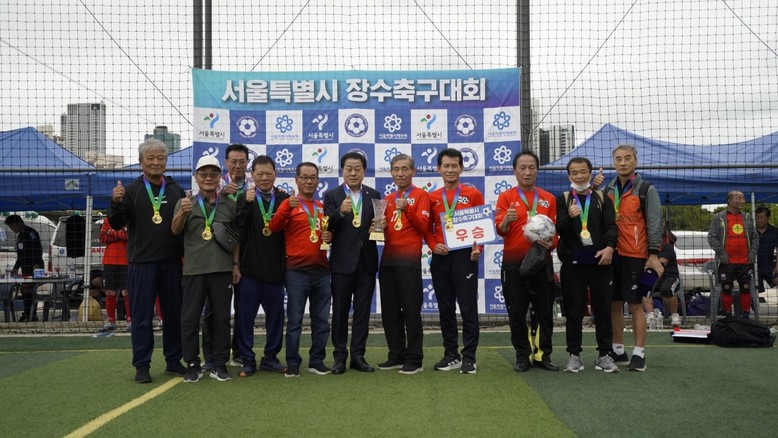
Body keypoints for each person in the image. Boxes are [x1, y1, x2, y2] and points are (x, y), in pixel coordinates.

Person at [108, 138, 187, 384]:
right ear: (141, 162)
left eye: (160, 158)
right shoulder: (131, 191)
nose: (155, 162)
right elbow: (117, 224)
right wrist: (115, 203)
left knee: (173, 315)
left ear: (166, 162)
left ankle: (174, 360)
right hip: (141, 264)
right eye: (150, 158)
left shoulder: (176, 190)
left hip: (171, 262)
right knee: (141, 317)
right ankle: (142, 365)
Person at [172, 155, 239, 382]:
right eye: (203, 174)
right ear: (196, 177)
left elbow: (235, 239)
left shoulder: (229, 203)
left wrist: (236, 265)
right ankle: (192, 363)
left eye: (213, 174)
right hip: (194, 269)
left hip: (221, 268)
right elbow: (174, 230)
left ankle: (219, 363)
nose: (208, 178)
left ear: (220, 177)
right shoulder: (185, 202)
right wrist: (182, 212)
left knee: (221, 319)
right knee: (189, 319)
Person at [494, 151, 559, 373]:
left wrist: (550, 243)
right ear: (515, 171)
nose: (527, 172)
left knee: (544, 311)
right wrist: (506, 220)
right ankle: (522, 355)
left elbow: (555, 236)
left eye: (531, 167)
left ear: (537, 170)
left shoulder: (549, 198)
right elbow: (500, 230)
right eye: (522, 168)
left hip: (541, 263)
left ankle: (543, 355)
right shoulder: (506, 197)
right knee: (517, 312)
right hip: (514, 263)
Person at [268, 162, 333, 378]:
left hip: (322, 271)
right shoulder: (289, 204)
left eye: (312, 177)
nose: (308, 181)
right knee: (295, 321)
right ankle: (293, 362)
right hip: (296, 272)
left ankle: (317, 361)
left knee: (321, 321)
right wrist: (286, 206)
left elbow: (325, 236)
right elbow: (273, 227)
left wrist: (329, 236)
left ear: (318, 181)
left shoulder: (322, 207)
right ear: (296, 180)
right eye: (304, 177)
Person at [602, 144, 663, 372]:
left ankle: (639, 354)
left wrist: (653, 254)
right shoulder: (607, 190)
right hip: (612, 254)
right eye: (618, 159)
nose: (623, 162)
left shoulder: (646, 189)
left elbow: (655, 223)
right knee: (614, 303)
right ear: (613, 163)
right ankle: (618, 350)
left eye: (627, 158)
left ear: (635, 161)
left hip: (636, 255)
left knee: (636, 304)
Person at [555, 157, 619, 373]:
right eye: (574, 172)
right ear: (568, 176)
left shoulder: (601, 197)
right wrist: (569, 217)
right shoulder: (564, 199)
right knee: (574, 309)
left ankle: (604, 355)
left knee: (603, 308)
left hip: (600, 260)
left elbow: (610, 226)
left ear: (590, 174)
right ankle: (574, 355)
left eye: (583, 171)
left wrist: (610, 247)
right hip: (573, 262)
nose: (579, 176)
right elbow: (560, 230)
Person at [424, 148, 483, 374]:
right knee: (445, 308)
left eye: (454, 165)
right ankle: (451, 354)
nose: (450, 170)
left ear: (461, 168)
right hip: (441, 257)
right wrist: (433, 245)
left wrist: (478, 249)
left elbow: (482, 225)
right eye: (446, 166)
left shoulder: (473, 194)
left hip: (465, 257)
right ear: (438, 169)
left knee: (468, 308)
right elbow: (427, 229)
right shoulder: (432, 197)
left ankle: (469, 357)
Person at [323, 152, 381, 374]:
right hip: (341, 263)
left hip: (367, 262)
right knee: (339, 311)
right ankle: (339, 357)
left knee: (362, 312)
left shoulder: (373, 194)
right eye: (349, 168)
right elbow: (326, 225)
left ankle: (358, 356)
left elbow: (377, 226)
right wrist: (340, 212)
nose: (353, 173)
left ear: (364, 171)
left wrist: (381, 225)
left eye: (358, 168)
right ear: (342, 171)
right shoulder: (332, 195)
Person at [233, 155, 290, 377]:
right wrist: (247, 204)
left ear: (275, 174)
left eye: (268, 174)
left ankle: (270, 357)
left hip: (275, 270)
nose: (264, 178)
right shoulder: (244, 198)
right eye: (260, 174)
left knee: (275, 318)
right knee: (245, 317)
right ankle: (247, 358)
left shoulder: (284, 198)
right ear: (252, 175)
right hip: (249, 271)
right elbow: (238, 226)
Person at [377, 154, 430, 375]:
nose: (400, 173)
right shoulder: (387, 200)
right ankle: (396, 355)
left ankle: (415, 358)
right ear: (391, 173)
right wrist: (378, 228)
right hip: (387, 261)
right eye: (396, 169)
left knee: (411, 310)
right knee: (390, 312)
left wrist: (407, 208)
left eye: (404, 169)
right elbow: (382, 235)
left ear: (413, 172)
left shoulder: (421, 196)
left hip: (409, 262)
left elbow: (424, 227)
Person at [203, 143, 251, 370]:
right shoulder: (213, 186)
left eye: (242, 161)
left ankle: (239, 353)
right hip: (217, 257)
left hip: (248, 255)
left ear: (248, 163)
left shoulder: (253, 187)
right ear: (226, 163)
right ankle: (210, 356)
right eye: (234, 161)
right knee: (213, 309)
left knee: (243, 308)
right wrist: (221, 195)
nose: (238, 165)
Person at [707, 191, 759, 318]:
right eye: (739, 198)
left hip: (745, 262)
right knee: (726, 288)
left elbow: (755, 236)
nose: (743, 201)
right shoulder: (718, 217)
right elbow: (712, 237)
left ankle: (745, 316)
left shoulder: (747, 217)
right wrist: (721, 253)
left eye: (743, 198)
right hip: (726, 262)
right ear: (729, 201)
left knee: (745, 288)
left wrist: (753, 251)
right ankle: (727, 316)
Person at [4, 214, 44, 322]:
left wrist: (36, 264)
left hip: (35, 266)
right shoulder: (20, 235)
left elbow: (38, 249)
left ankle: (29, 315)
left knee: (27, 289)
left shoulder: (31, 233)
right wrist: (16, 267)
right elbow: (21, 254)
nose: (12, 229)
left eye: (12, 226)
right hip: (26, 267)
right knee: (26, 290)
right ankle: (29, 314)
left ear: (18, 223)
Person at [644, 222, 682, 327]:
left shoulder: (667, 246)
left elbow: (660, 263)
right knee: (644, 286)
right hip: (654, 275)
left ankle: (674, 316)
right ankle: (650, 315)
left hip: (670, 276)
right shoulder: (646, 247)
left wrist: (648, 265)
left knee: (667, 289)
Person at [97, 220, 130, 332]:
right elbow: (102, 238)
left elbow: (128, 236)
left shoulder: (128, 218)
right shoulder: (107, 220)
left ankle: (131, 321)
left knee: (127, 292)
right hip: (109, 260)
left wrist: (110, 232)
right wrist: (119, 234)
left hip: (126, 260)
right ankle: (111, 321)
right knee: (110, 292)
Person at [754, 206, 778, 293]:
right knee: (753, 291)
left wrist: (777, 265)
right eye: (757, 217)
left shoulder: (775, 231)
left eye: (762, 217)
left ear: (768, 218)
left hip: (769, 265)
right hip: (753, 266)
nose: (759, 220)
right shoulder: (750, 231)